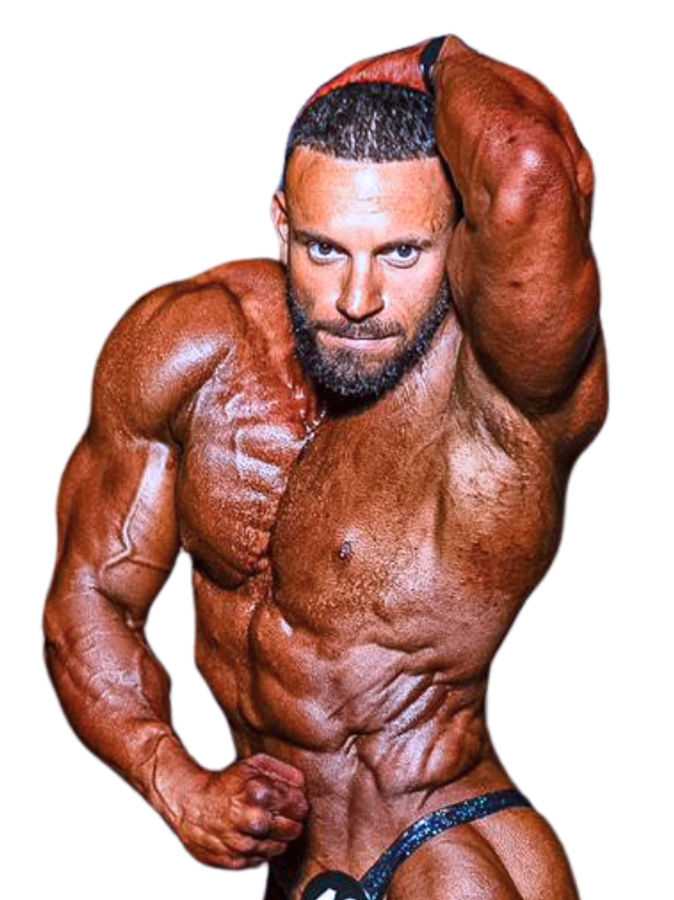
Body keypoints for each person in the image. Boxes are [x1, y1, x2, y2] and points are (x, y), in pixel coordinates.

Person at [43, 35, 608, 900]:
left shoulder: (506, 385)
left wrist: (438, 60)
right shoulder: (191, 347)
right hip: (290, 863)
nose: (357, 300)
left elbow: (530, 168)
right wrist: (177, 784)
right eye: (325, 249)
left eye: (402, 252)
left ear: (458, 240)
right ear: (281, 225)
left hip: (442, 852)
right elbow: (90, 596)